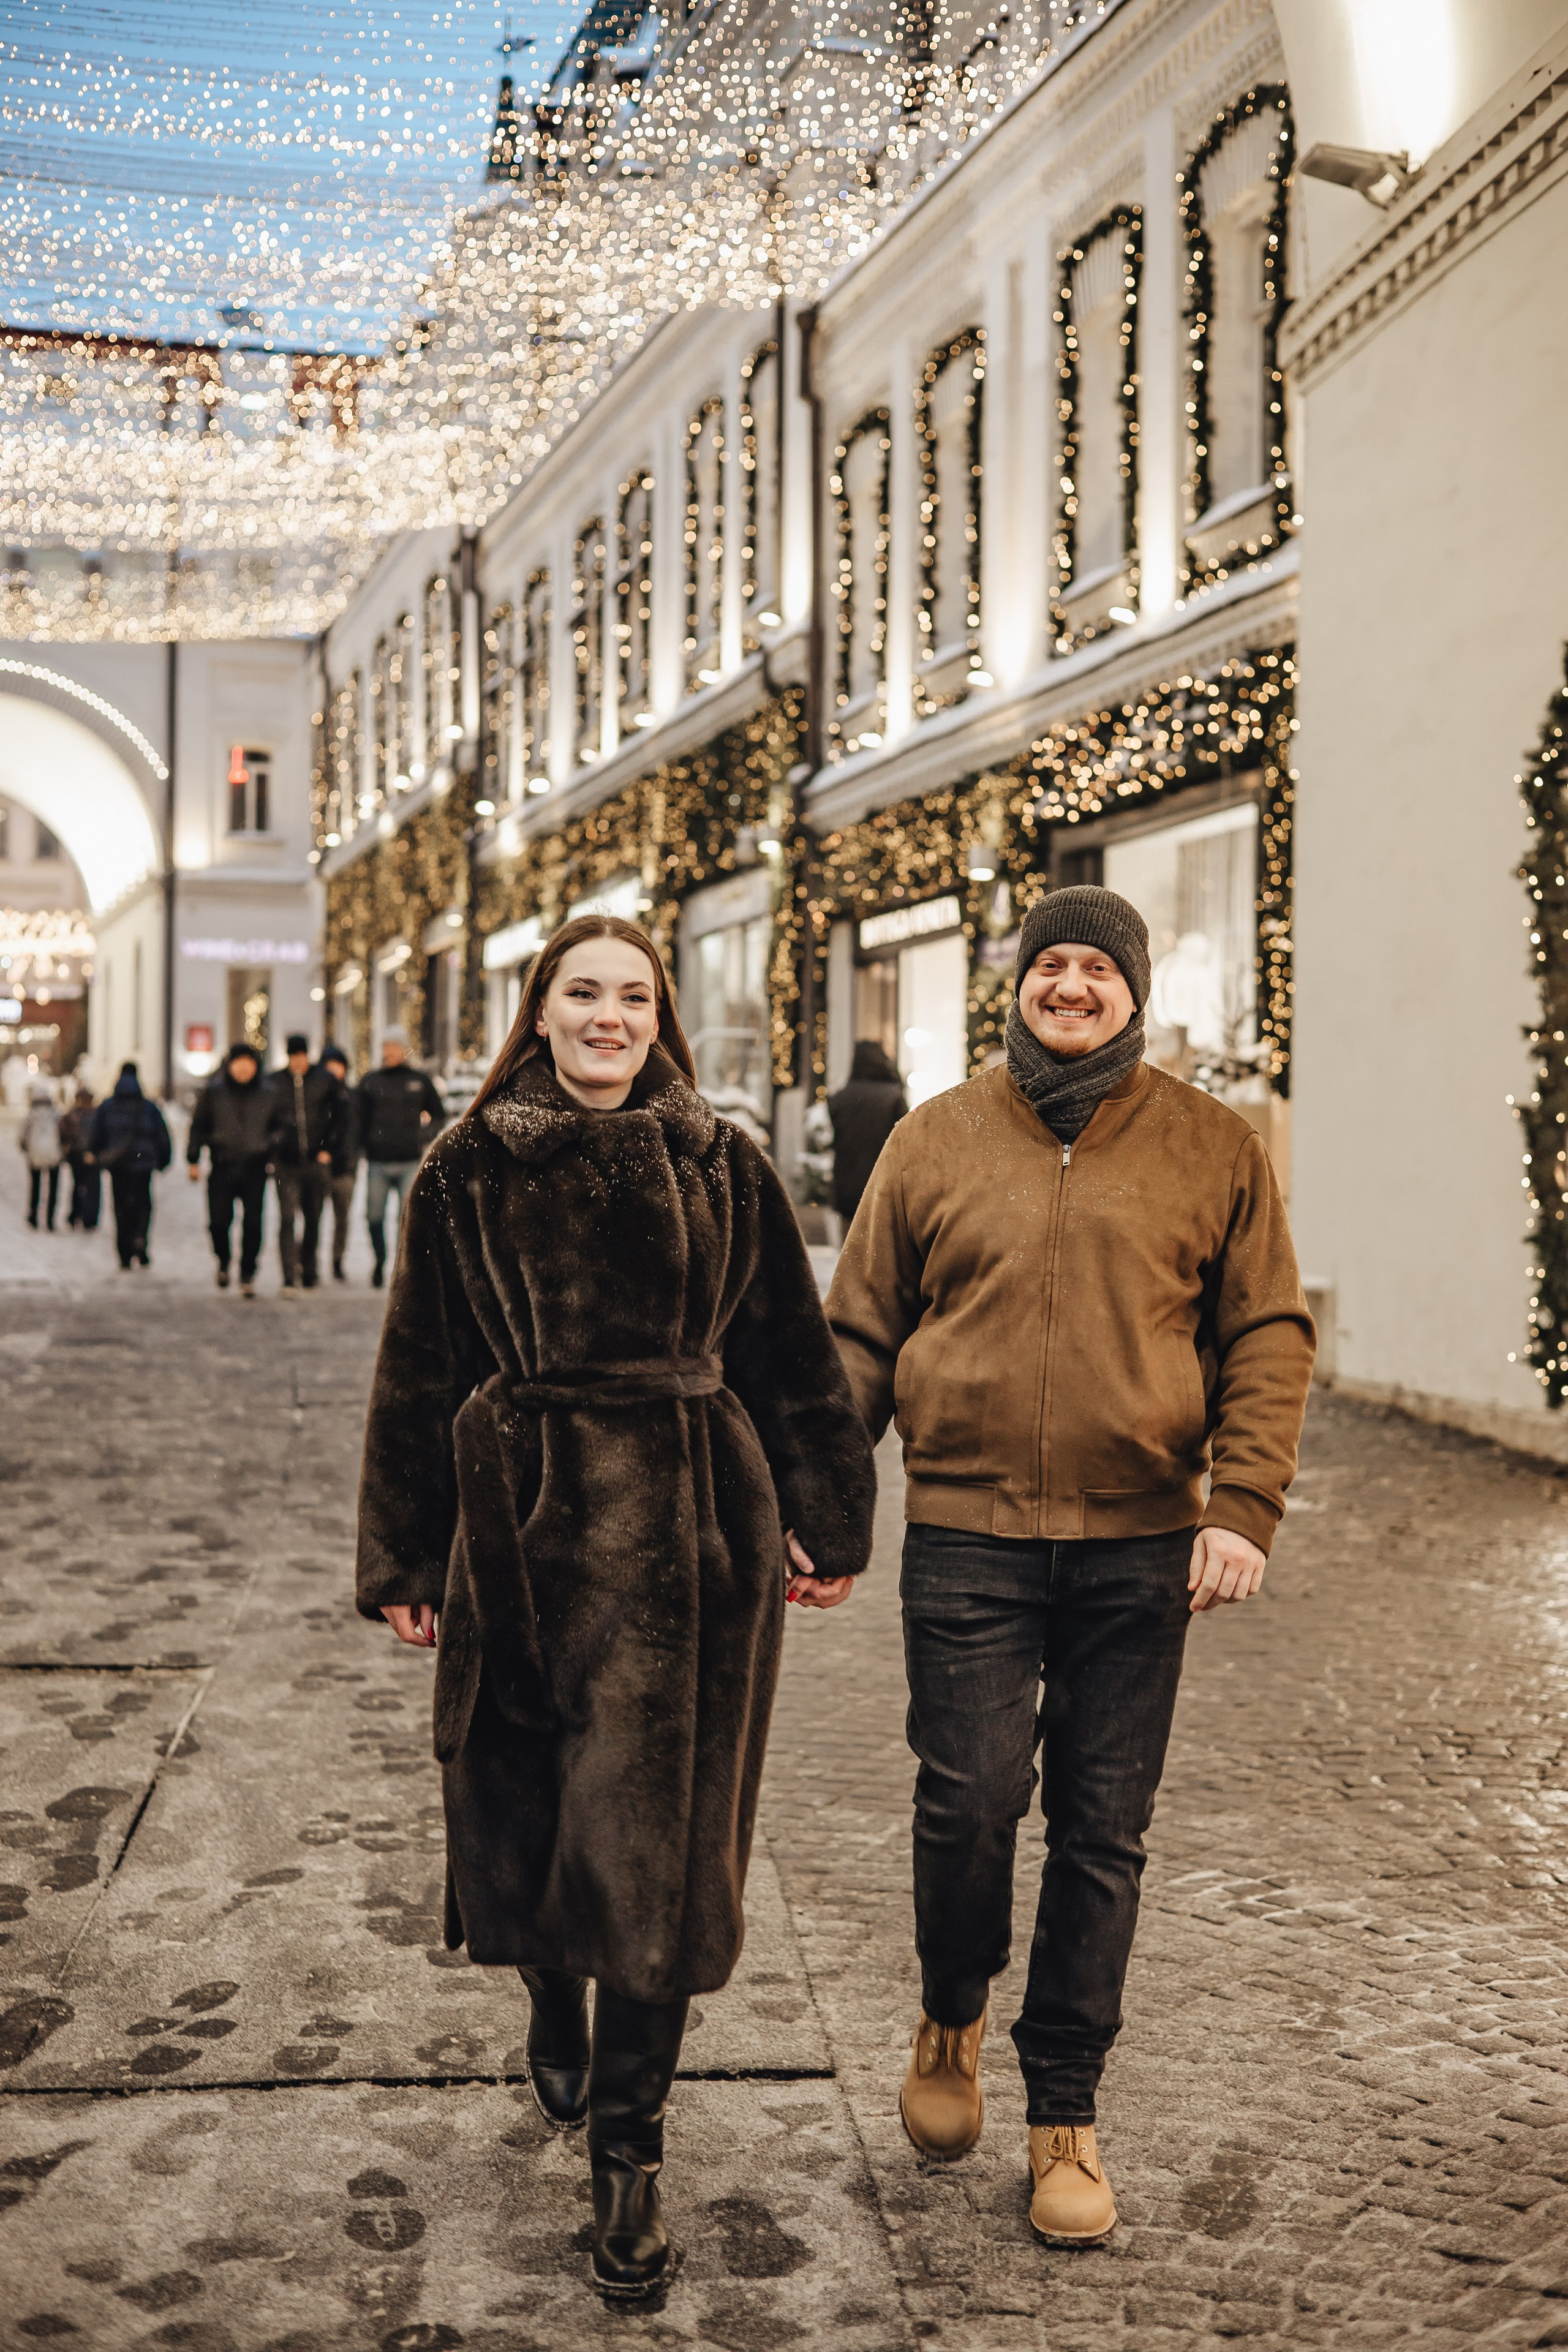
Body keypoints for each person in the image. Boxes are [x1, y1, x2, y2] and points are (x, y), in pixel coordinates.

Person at [356, 913, 876, 2296]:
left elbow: (788, 1354)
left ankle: (629, 2154)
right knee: (526, 1801)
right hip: (521, 1531)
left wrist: (825, 1515)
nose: (606, 1016)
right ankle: (546, 1982)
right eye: (580, 993)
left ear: (658, 1016)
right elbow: (417, 1364)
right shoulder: (462, 1170)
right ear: (537, 1012)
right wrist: (408, 1557)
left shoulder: (723, 1162)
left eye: (631, 995)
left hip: (697, 1537)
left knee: (661, 1843)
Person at [826, 884, 1314, 2248]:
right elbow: (856, 1337)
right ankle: (949, 2013)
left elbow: (1265, 1332)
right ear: (1017, 985)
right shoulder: (932, 1141)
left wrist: (1242, 1506)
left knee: (1101, 1835)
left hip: (1140, 1545)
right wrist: (813, 1508)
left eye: (1096, 968)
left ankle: (1063, 2115)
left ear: (1132, 991)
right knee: (968, 1803)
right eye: (1050, 964)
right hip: (968, 1533)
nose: (1070, 986)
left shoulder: (1209, 1146)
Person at [355, 1025, 447, 1289]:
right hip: (378, 1162)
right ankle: (380, 1260)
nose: (390, 1052)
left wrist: (423, 1137)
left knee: (407, 1219)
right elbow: (357, 1119)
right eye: (386, 1047)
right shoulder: (371, 1081)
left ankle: (402, 1266)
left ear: (403, 1049)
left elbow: (438, 1114)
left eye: (395, 1047)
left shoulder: (419, 1080)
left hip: (409, 1161)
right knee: (374, 1217)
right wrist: (363, 1145)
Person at [187, 1043, 271, 1296]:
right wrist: (193, 1159)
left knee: (253, 1224)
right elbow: (198, 1126)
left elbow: (280, 1126)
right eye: (239, 1061)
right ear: (230, 1065)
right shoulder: (214, 1093)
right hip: (222, 1166)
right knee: (218, 1222)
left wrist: (270, 1146)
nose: (244, 1067)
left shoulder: (268, 1093)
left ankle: (248, 1272)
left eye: (249, 1062)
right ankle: (223, 1260)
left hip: (256, 1168)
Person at [266, 1031, 341, 1293]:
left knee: (313, 1218)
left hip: (315, 1161)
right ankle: (288, 1274)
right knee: (287, 1218)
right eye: (292, 1056)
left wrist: (329, 1148)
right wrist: (273, 1148)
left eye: (300, 1055)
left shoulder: (324, 1081)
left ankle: (308, 1268)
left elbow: (340, 1116)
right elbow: (267, 1120)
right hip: (285, 1163)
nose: (296, 1061)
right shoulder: (275, 1083)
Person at [88, 1061, 172, 1270]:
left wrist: (96, 1154)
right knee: (143, 1204)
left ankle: (125, 1253)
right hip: (143, 1165)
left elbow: (97, 1134)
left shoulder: (108, 1106)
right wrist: (163, 1160)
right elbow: (162, 1135)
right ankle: (140, 1239)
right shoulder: (149, 1107)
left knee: (121, 1208)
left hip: (119, 1166)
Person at [826, 1039, 908, 1225]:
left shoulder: (841, 1097)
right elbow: (904, 1136)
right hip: (883, 1180)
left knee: (849, 1246)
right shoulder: (893, 1096)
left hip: (847, 1182)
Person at [321, 1042, 358, 1281]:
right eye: (329, 1066)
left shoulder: (353, 1096)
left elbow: (356, 1130)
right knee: (311, 1216)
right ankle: (308, 1260)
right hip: (320, 1165)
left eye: (338, 1066)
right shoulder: (315, 1096)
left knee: (342, 1217)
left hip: (345, 1166)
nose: (334, 1071)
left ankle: (337, 1260)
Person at [19, 1080, 62, 1231]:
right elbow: (63, 1133)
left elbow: (22, 1136)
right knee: (53, 1188)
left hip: (35, 1156)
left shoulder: (31, 1114)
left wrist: (26, 1149)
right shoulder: (55, 1113)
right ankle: (50, 1219)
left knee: (35, 1187)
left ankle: (33, 1217)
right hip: (54, 1155)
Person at [59, 1083, 100, 1231]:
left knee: (81, 1186)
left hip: (83, 1155)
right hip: (84, 1155)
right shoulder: (95, 1114)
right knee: (87, 1187)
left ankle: (81, 1216)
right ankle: (84, 1217)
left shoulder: (74, 1114)